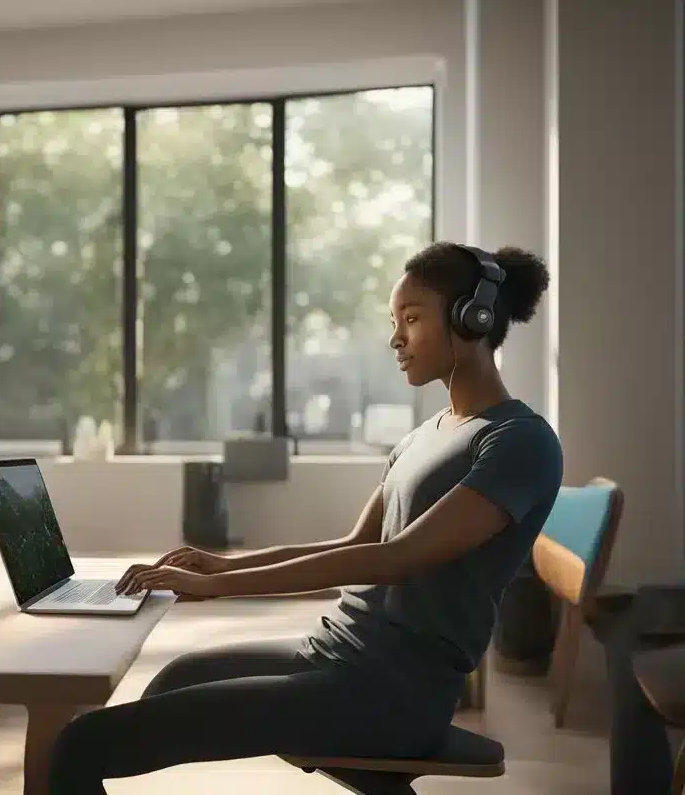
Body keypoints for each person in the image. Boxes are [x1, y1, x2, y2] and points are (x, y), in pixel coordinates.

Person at [47, 242, 563, 795]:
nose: (396, 339)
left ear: (473, 318)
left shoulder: (519, 443)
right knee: (177, 678)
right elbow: (353, 543)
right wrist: (223, 565)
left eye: (411, 319)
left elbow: (396, 559)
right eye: (394, 322)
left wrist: (219, 587)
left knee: (80, 746)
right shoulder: (426, 434)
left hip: (390, 691)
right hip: (335, 652)